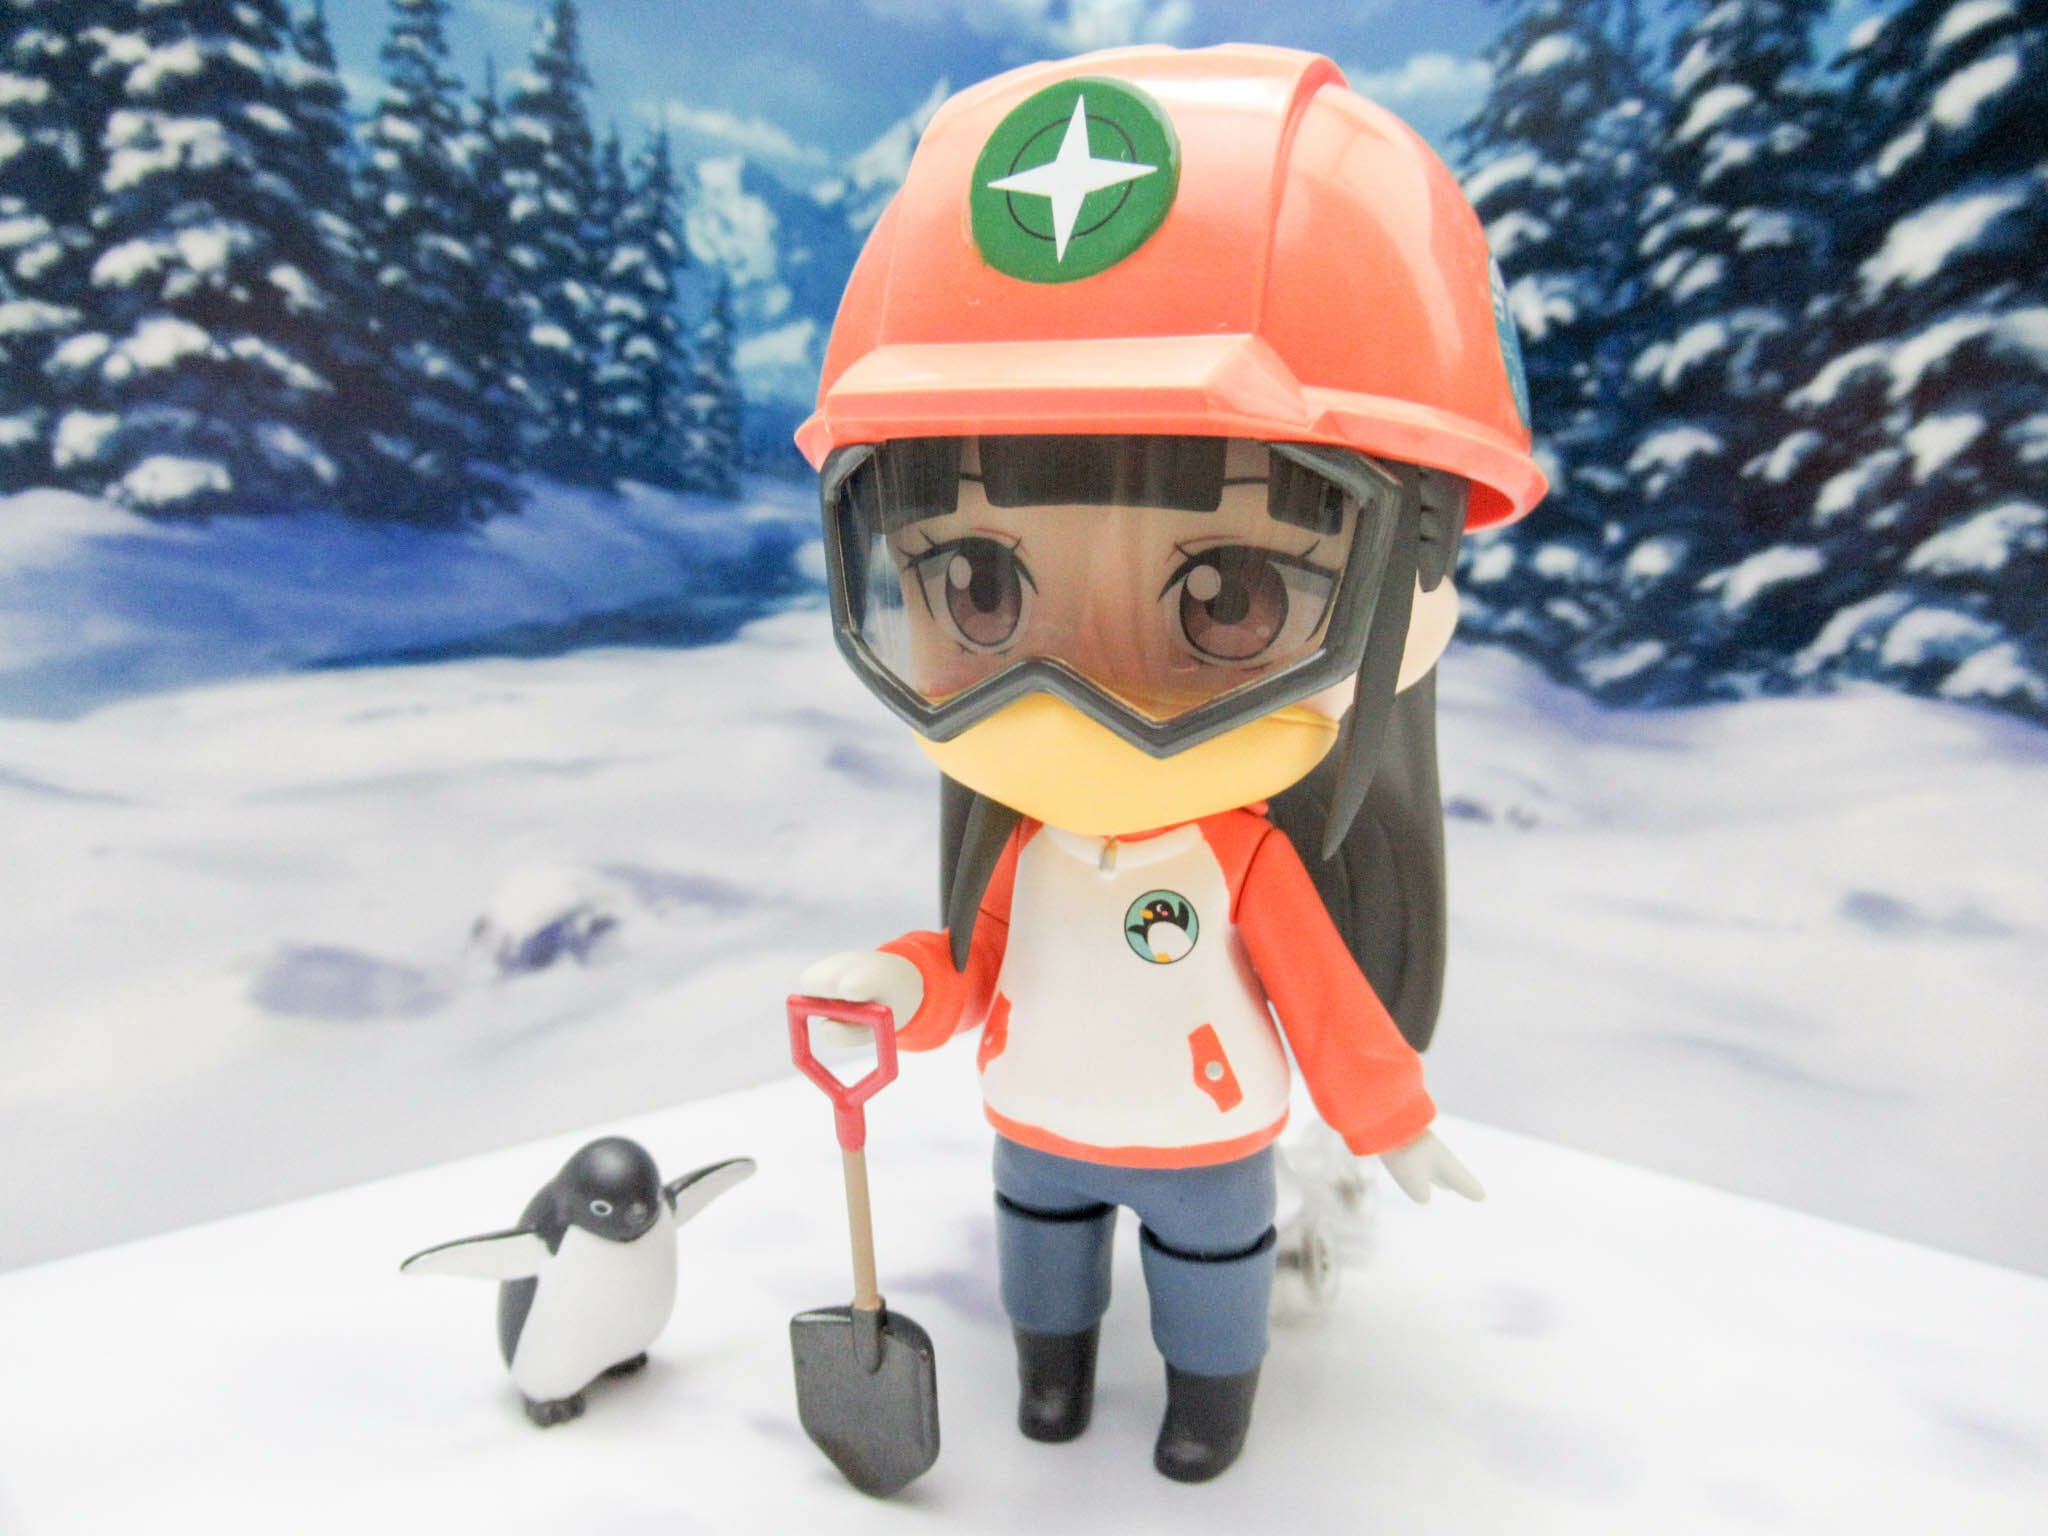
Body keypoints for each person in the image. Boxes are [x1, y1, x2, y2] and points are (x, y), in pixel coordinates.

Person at [792, 42, 1546, 1482]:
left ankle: (1208, 1403)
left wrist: (1390, 1122)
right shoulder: (1023, 849)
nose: (1079, 701)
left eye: (1230, 602)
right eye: (980, 592)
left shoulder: (1241, 860)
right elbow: (972, 967)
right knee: (1043, 1262)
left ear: (1417, 594)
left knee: (1210, 1273)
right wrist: (896, 983)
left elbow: (1326, 1003)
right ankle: (1055, 1378)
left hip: (1204, 1146)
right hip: (1038, 1133)